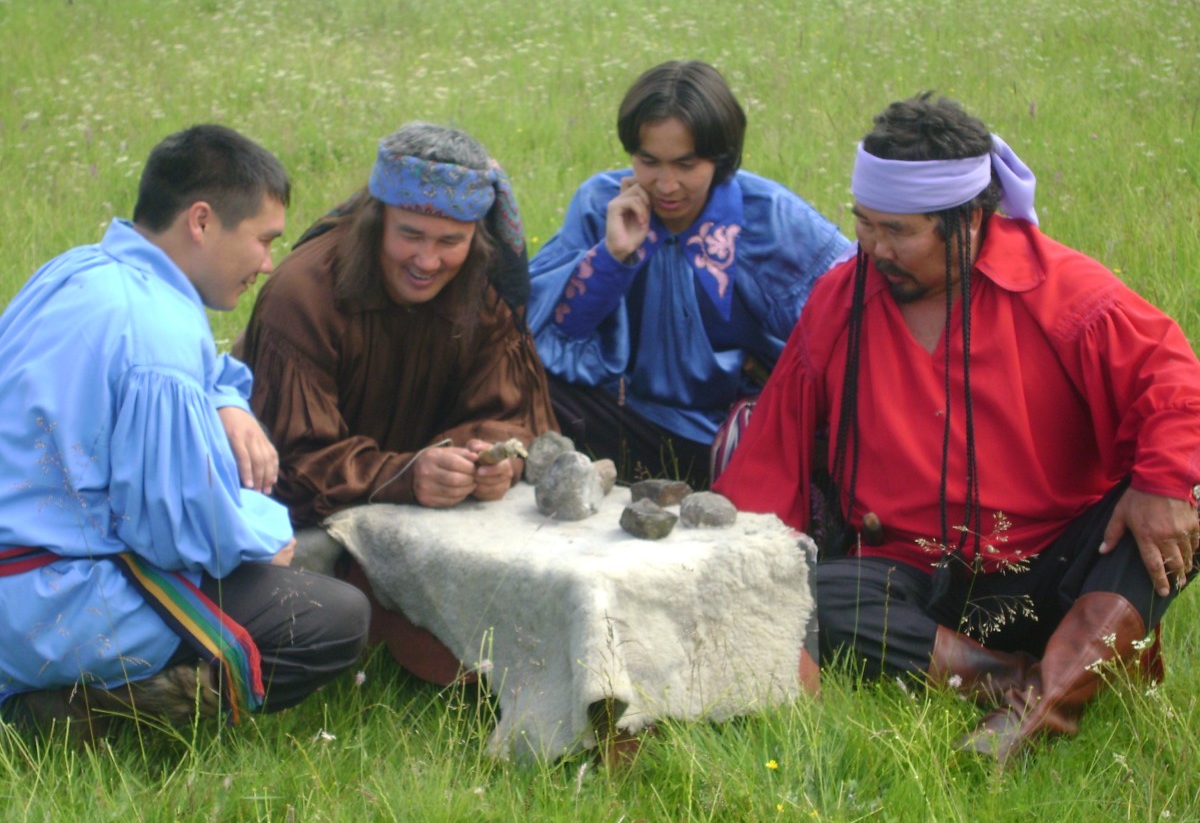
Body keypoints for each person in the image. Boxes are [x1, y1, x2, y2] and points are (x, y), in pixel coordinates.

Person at [714, 93, 1200, 763]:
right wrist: (737, 570)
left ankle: (1039, 713)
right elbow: (774, 449)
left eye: (898, 231)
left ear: (970, 220)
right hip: (916, 581)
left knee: (1185, 492)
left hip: (1054, 566)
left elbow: (1173, 381)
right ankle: (1008, 677)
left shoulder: (1062, 292)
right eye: (864, 224)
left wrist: (1164, 483)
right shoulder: (838, 301)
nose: (874, 247)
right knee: (807, 595)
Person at [0, 125, 370, 743]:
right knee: (331, 617)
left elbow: (204, 372)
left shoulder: (78, 270)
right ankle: (77, 715)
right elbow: (175, 533)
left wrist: (228, 402)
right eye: (262, 240)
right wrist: (264, 534)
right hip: (53, 599)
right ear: (201, 221)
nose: (268, 263)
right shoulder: (157, 336)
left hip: (20, 569)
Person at [238, 122, 557, 685]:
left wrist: (493, 458)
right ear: (376, 219)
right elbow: (290, 459)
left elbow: (514, 411)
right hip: (309, 510)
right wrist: (406, 476)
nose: (428, 261)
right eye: (410, 235)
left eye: (450, 242)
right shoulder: (304, 294)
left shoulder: (482, 288)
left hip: (426, 499)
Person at [526, 60, 850, 488]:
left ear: (721, 157)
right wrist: (613, 256)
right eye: (649, 161)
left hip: (744, 433)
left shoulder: (772, 217)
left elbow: (845, 325)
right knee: (524, 382)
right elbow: (549, 340)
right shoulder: (599, 204)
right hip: (632, 418)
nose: (666, 185)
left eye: (686, 164)